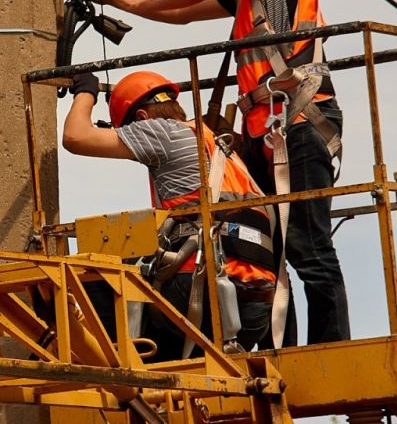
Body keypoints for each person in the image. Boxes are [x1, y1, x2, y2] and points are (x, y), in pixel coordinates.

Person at [73, 0, 348, 345]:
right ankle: (285, 348)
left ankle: (332, 352)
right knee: (273, 250)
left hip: (300, 123)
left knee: (308, 247)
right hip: (272, 130)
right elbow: (183, 10)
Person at [63, 69, 276, 358]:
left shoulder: (161, 131)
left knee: (87, 285)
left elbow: (76, 137)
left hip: (200, 291)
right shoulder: (222, 150)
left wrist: (85, 91)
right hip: (253, 310)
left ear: (140, 119)